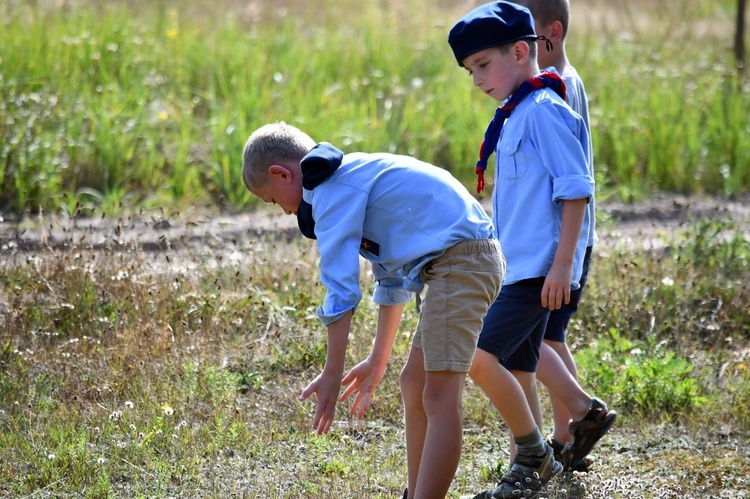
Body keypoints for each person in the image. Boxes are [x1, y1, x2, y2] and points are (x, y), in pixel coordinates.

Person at [240, 122, 505, 499]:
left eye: (273, 201)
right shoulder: (346, 181)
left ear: (281, 174)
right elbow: (392, 280)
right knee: (414, 385)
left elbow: (341, 292)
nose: (284, 212)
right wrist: (377, 360)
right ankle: (415, 492)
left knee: (439, 397)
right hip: (455, 262)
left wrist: (331, 375)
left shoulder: (331, 192)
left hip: (463, 261)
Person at [447, 2, 616, 497]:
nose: (476, 78)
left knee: (478, 359)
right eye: (469, 70)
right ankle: (537, 457)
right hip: (514, 267)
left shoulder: (544, 111)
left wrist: (564, 265)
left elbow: (576, 187)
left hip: (538, 271)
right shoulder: (516, 112)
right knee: (520, 368)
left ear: (521, 51)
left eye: (482, 64)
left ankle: (535, 457)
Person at [509, 0, 605, 471]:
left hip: (557, 242)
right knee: (549, 333)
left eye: (525, 40)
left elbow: (567, 180)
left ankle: (580, 417)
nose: (518, 51)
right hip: (566, 241)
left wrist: (560, 256)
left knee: (531, 335)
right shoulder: (569, 79)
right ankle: (569, 434)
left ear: (552, 31)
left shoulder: (554, 90)